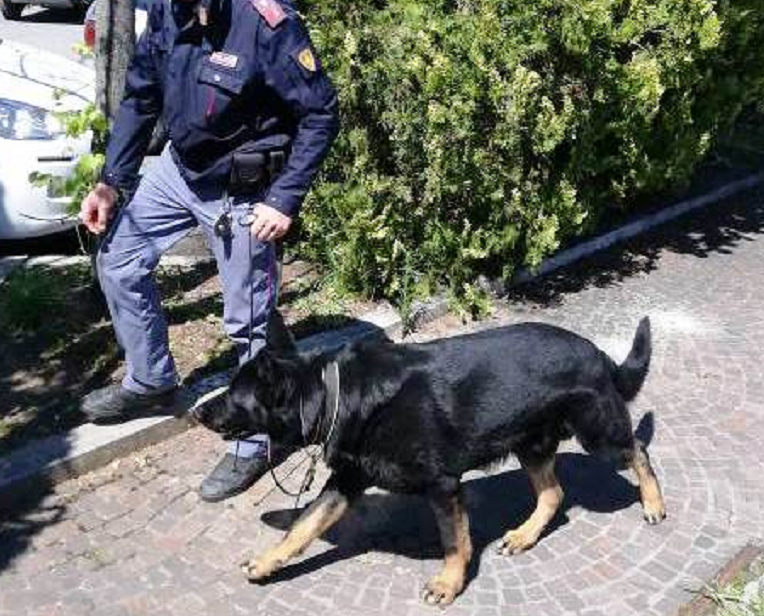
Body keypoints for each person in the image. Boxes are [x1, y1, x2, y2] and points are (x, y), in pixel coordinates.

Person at [79, 0, 339, 502]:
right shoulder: (166, 9)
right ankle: (151, 381)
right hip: (179, 171)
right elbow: (141, 94)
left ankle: (263, 436)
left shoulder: (267, 23)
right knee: (119, 259)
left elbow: (320, 113)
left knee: (248, 319)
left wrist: (283, 199)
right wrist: (112, 182)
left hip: (242, 191)